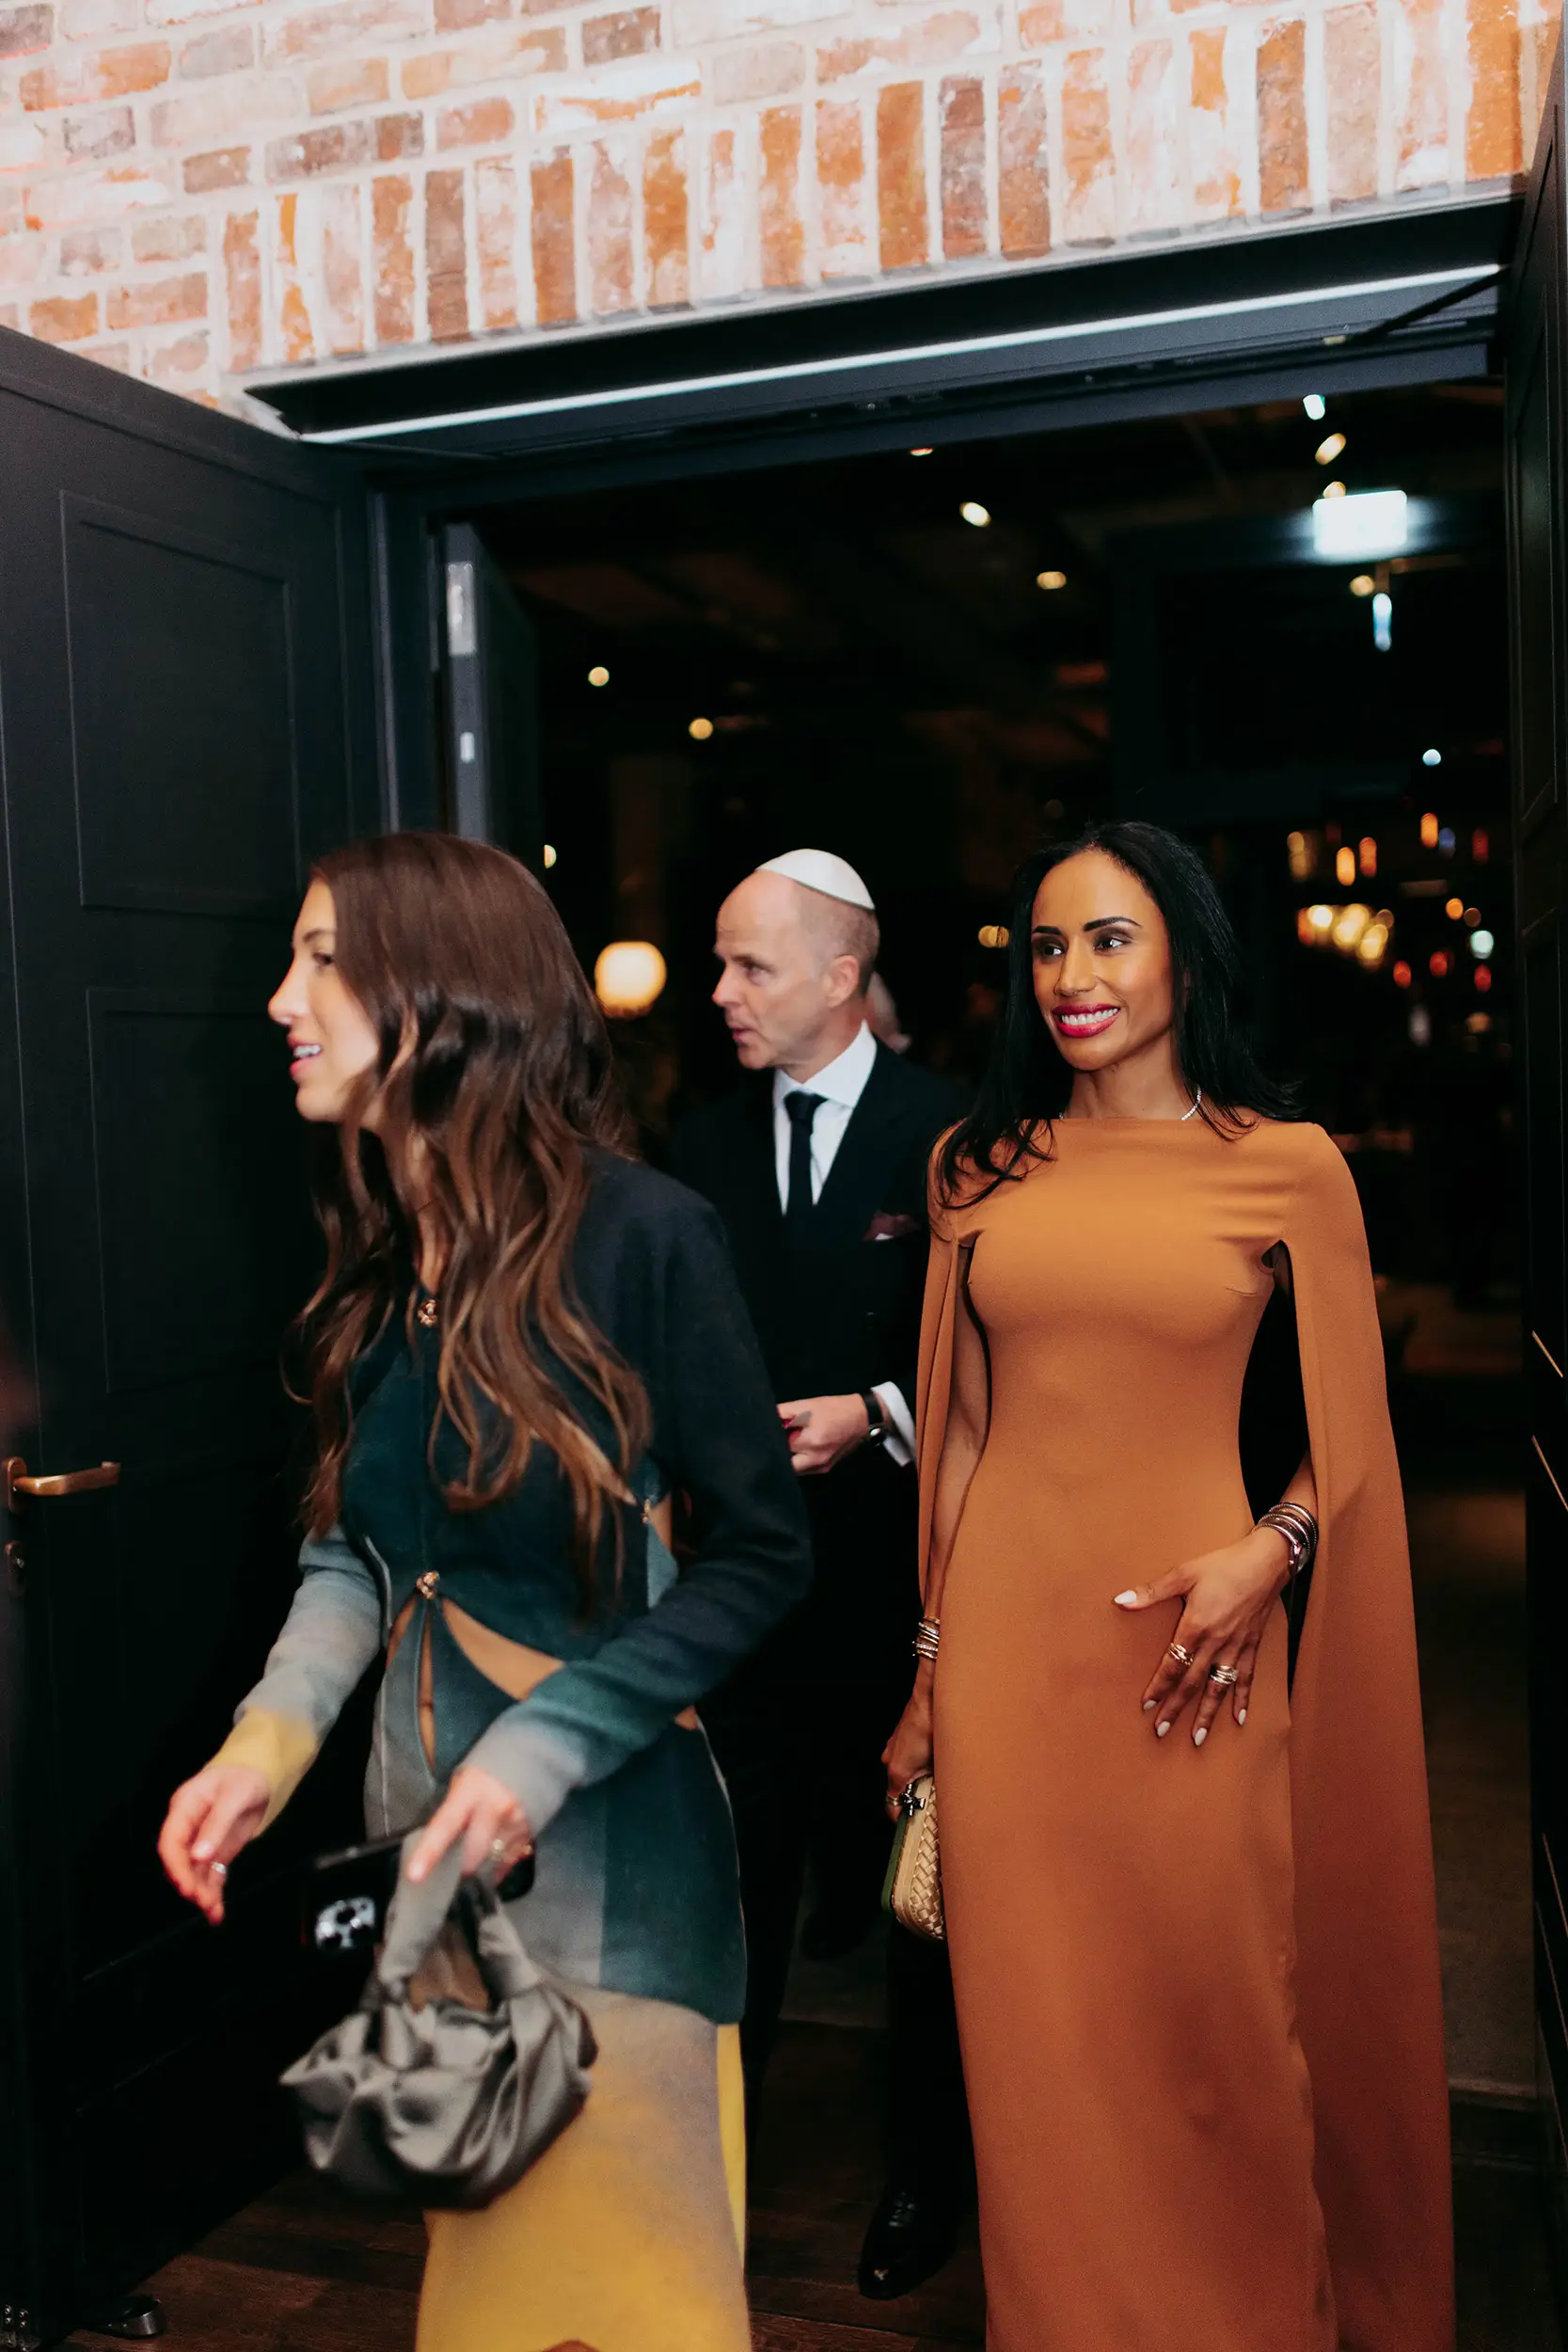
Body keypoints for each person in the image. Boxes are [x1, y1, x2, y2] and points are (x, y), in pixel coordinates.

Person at [156, 833, 811, 2352]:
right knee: (490, 2304)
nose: (282, 1002)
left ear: (442, 992)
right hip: (432, 1866)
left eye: (323, 961)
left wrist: (540, 1750)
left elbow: (763, 1553)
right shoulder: (388, 1254)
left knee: (636, 2312)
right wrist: (265, 1748)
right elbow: (359, 1554)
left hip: (615, 1871)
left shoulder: (643, 1235)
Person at [884, 819, 1453, 2352]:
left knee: (1219, 2020)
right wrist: (932, 1666)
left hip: (1195, 1663)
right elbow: (962, 1437)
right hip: (1010, 1663)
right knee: (1034, 2041)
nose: (1070, 976)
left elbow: (1350, 1439)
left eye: (1108, 939)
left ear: (1186, 962)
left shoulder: (1284, 1166)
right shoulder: (975, 1168)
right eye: (1047, 945)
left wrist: (1270, 1552)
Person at [671, 848, 972, 2299]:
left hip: (905, 1588)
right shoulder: (698, 1140)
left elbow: (999, 1349)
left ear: (843, 976)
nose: (719, 991)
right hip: (739, 1591)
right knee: (730, 1899)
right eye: (719, 963)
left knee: (925, 1900)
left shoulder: (953, 1133)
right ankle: (704, 2182)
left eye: (750, 965)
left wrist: (877, 1413)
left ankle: (926, 2179)